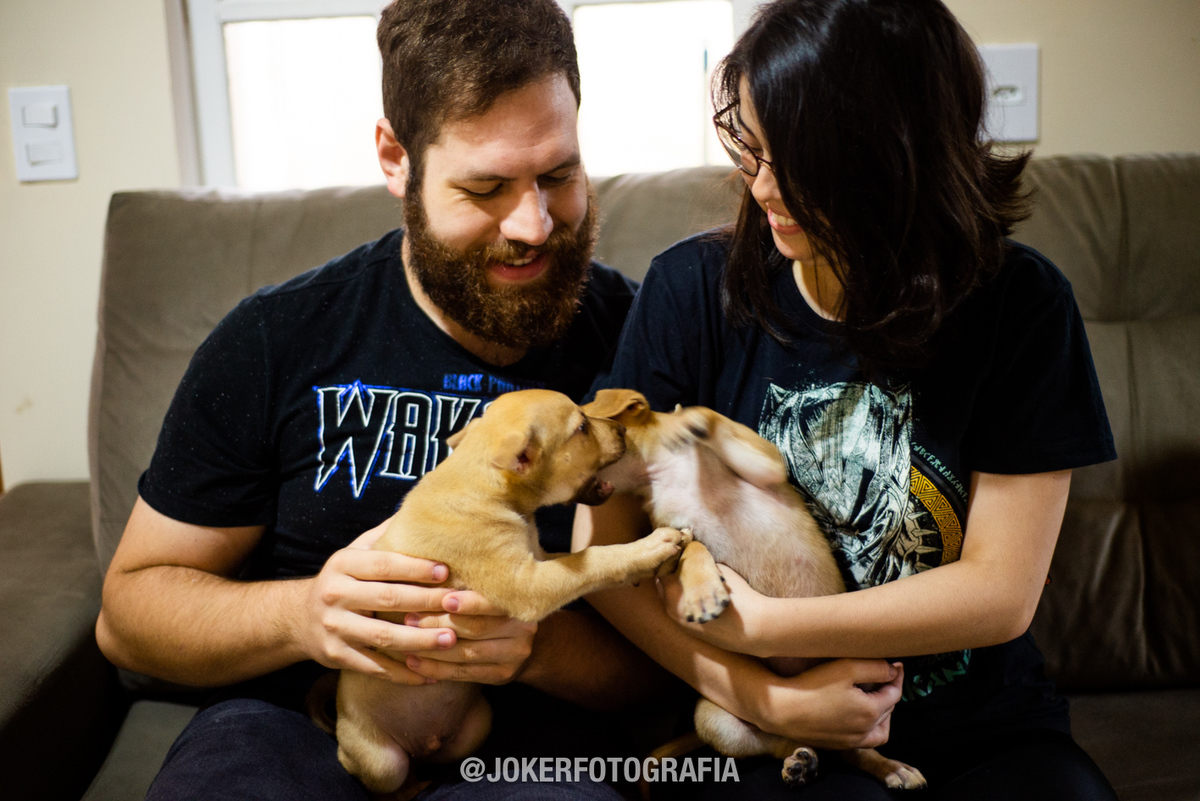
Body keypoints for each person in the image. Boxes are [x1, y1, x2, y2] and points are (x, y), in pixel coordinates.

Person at [94, 1, 667, 799]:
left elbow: (677, 665)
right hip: (297, 729)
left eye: (559, 175)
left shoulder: (643, 341)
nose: (535, 224)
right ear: (397, 158)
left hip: (529, 751)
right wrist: (305, 614)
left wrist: (533, 641)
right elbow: (127, 619)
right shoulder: (278, 337)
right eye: (487, 186)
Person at [573, 0, 1120, 798]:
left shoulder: (1022, 304)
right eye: (752, 148)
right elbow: (602, 544)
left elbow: (1001, 592)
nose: (763, 185)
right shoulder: (691, 289)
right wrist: (760, 693)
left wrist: (768, 624)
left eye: (801, 162)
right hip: (768, 730)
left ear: (899, 156)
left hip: (984, 727)